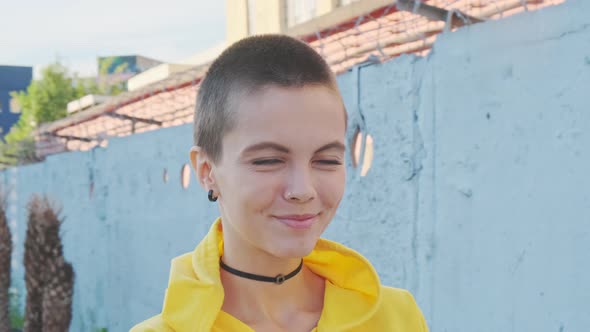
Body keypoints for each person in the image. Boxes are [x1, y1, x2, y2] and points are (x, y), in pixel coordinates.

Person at [131, 34, 428, 332]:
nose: (303, 190)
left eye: (327, 161)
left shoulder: (395, 318)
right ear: (207, 171)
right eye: (268, 161)